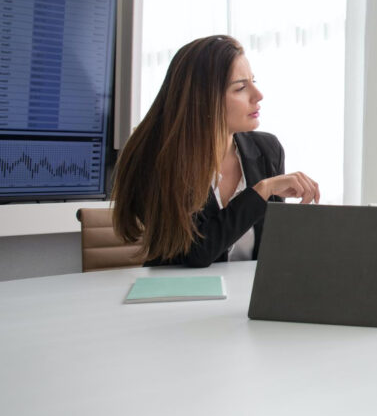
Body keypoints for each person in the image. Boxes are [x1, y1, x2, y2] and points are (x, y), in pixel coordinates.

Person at [112, 35, 319, 267]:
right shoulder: (158, 158)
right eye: (241, 87)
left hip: (244, 298)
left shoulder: (267, 149)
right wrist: (262, 190)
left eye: (253, 81)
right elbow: (195, 254)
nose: (258, 95)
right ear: (203, 99)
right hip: (179, 297)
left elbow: (273, 250)